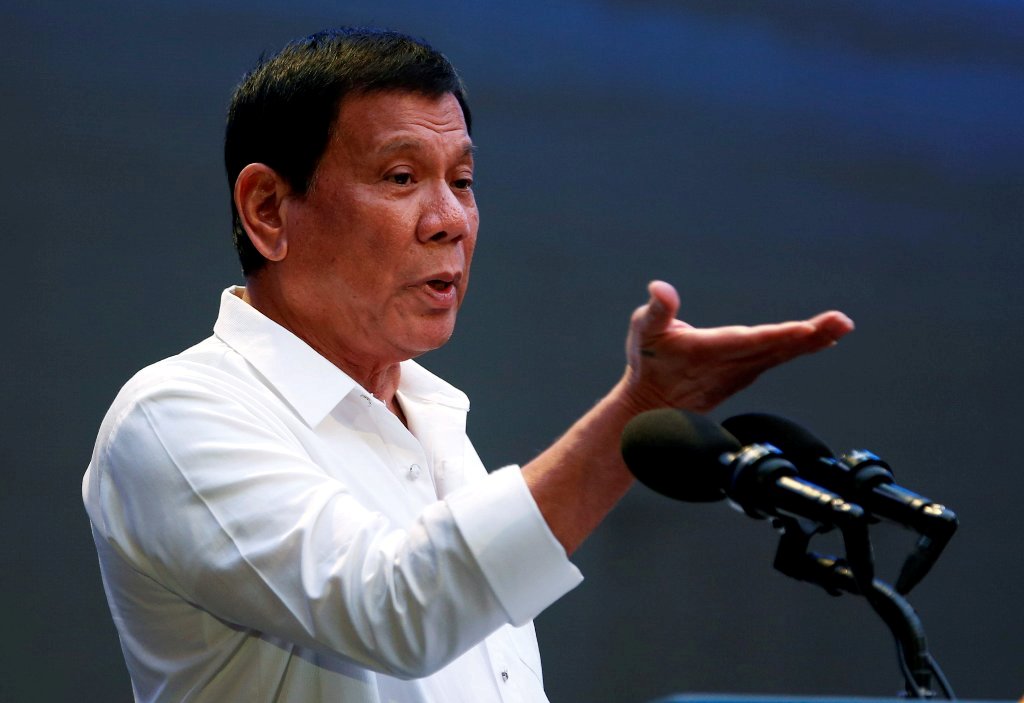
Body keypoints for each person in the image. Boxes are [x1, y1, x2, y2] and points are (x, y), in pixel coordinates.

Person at [82, 27, 854, 703]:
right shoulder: (176, 413)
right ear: (269, 210)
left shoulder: (436, 421)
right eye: (400, 177)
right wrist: (638, 405)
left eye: (462, 180)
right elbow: (397, 609)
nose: (449, 220)